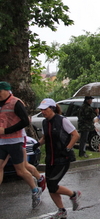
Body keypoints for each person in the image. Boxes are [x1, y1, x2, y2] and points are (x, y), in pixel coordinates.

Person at [32, 98, 81, 218]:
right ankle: (61, 211)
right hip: (50, 158)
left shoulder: (62, 120)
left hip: (62, 158)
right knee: (51, 187)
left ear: (52, 108)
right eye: (41, 110)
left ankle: (74, 194)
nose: (43, 112)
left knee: (52, 185)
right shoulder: (44, 122)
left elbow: (75, 135)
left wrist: (68, 148)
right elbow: (45, 137)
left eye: (45, 109)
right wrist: (38, 144)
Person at [0, 81, 43, 209]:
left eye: (0, 92)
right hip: (1, 141)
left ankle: (35, 189)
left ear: (7, 91)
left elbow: (25, 121)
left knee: (20, 170)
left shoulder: (16, 102)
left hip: (15, 141)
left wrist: (6, 131)